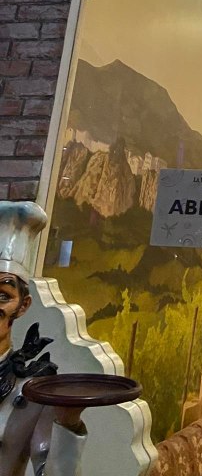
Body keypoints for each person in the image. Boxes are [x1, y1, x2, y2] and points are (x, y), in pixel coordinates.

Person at [0, 200, 87, 475]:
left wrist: (68, 424)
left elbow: (51, 470)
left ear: (23, 305)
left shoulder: (33, 391)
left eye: (3, 295)